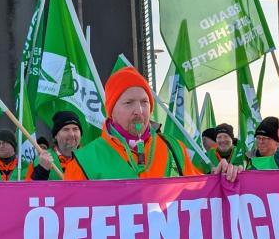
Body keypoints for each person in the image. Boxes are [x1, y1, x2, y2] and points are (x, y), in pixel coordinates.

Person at [65, 67, 239, 181]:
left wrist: (220, 177)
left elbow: (199, 194)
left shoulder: (174, 148)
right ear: (112, 111)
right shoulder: (84, 161)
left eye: (144, 102)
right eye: (129, 103)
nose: (139, 110)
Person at [27, 111, 82, 181]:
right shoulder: (39, 161)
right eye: (66, 129)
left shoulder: (89, 159)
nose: (71, 134)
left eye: (75, 129)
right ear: (56, 135)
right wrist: (41, 171)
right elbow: (28, 190)